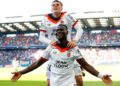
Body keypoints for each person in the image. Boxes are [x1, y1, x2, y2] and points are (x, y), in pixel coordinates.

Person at [11, 24, 112, 86]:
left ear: (67, 32)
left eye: (61, 30)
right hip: (55, 84)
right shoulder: (51, 47)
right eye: (57, 30)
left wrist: (101, 76)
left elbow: (85, 65)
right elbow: (38, 63)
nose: (59, 31)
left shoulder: (73, 48)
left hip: (70, 83)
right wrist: (21, 72)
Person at [39, 0, 83, 86]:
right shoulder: (45, 18)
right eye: (53, 5)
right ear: (51, 8)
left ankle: (78, 71)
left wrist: (74, 41)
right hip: (54, 51)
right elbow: (41, 37)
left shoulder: (67, 15)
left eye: (57, 5)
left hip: (68, 49)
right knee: (49, 84)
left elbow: (80, 29)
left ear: (61, 8)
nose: (55, 6)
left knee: (79, 82)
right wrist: (50, 42)